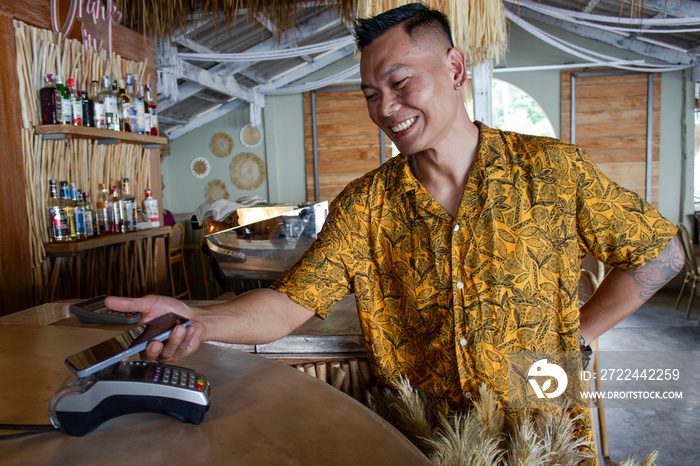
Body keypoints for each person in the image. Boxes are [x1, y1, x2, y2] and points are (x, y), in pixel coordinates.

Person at [107, 2, 683, 461]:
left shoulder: (551, 170)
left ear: (454, 70)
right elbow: (289, 303)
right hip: (424, 441)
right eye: (369, 94)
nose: (385, 108)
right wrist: (201, 318)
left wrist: (574, 335)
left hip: (545, 435)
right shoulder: (366, 205)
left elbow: (662, 254)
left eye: (400, 82)